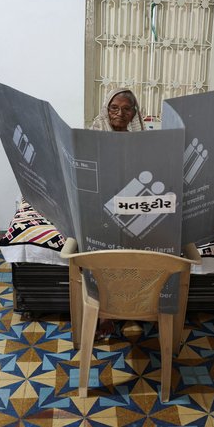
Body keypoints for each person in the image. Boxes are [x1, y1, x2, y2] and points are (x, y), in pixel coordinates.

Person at [91, 88, 145, 339]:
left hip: (133, 204)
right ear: (106, 108)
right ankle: (106, 313)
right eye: (114, 108)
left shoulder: (144, 140)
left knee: (136, 254)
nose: (120, 113)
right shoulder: (93, 135)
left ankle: (132, 312)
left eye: (127, 108)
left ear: (135, 113)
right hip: (102, 206)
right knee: (105, 254)